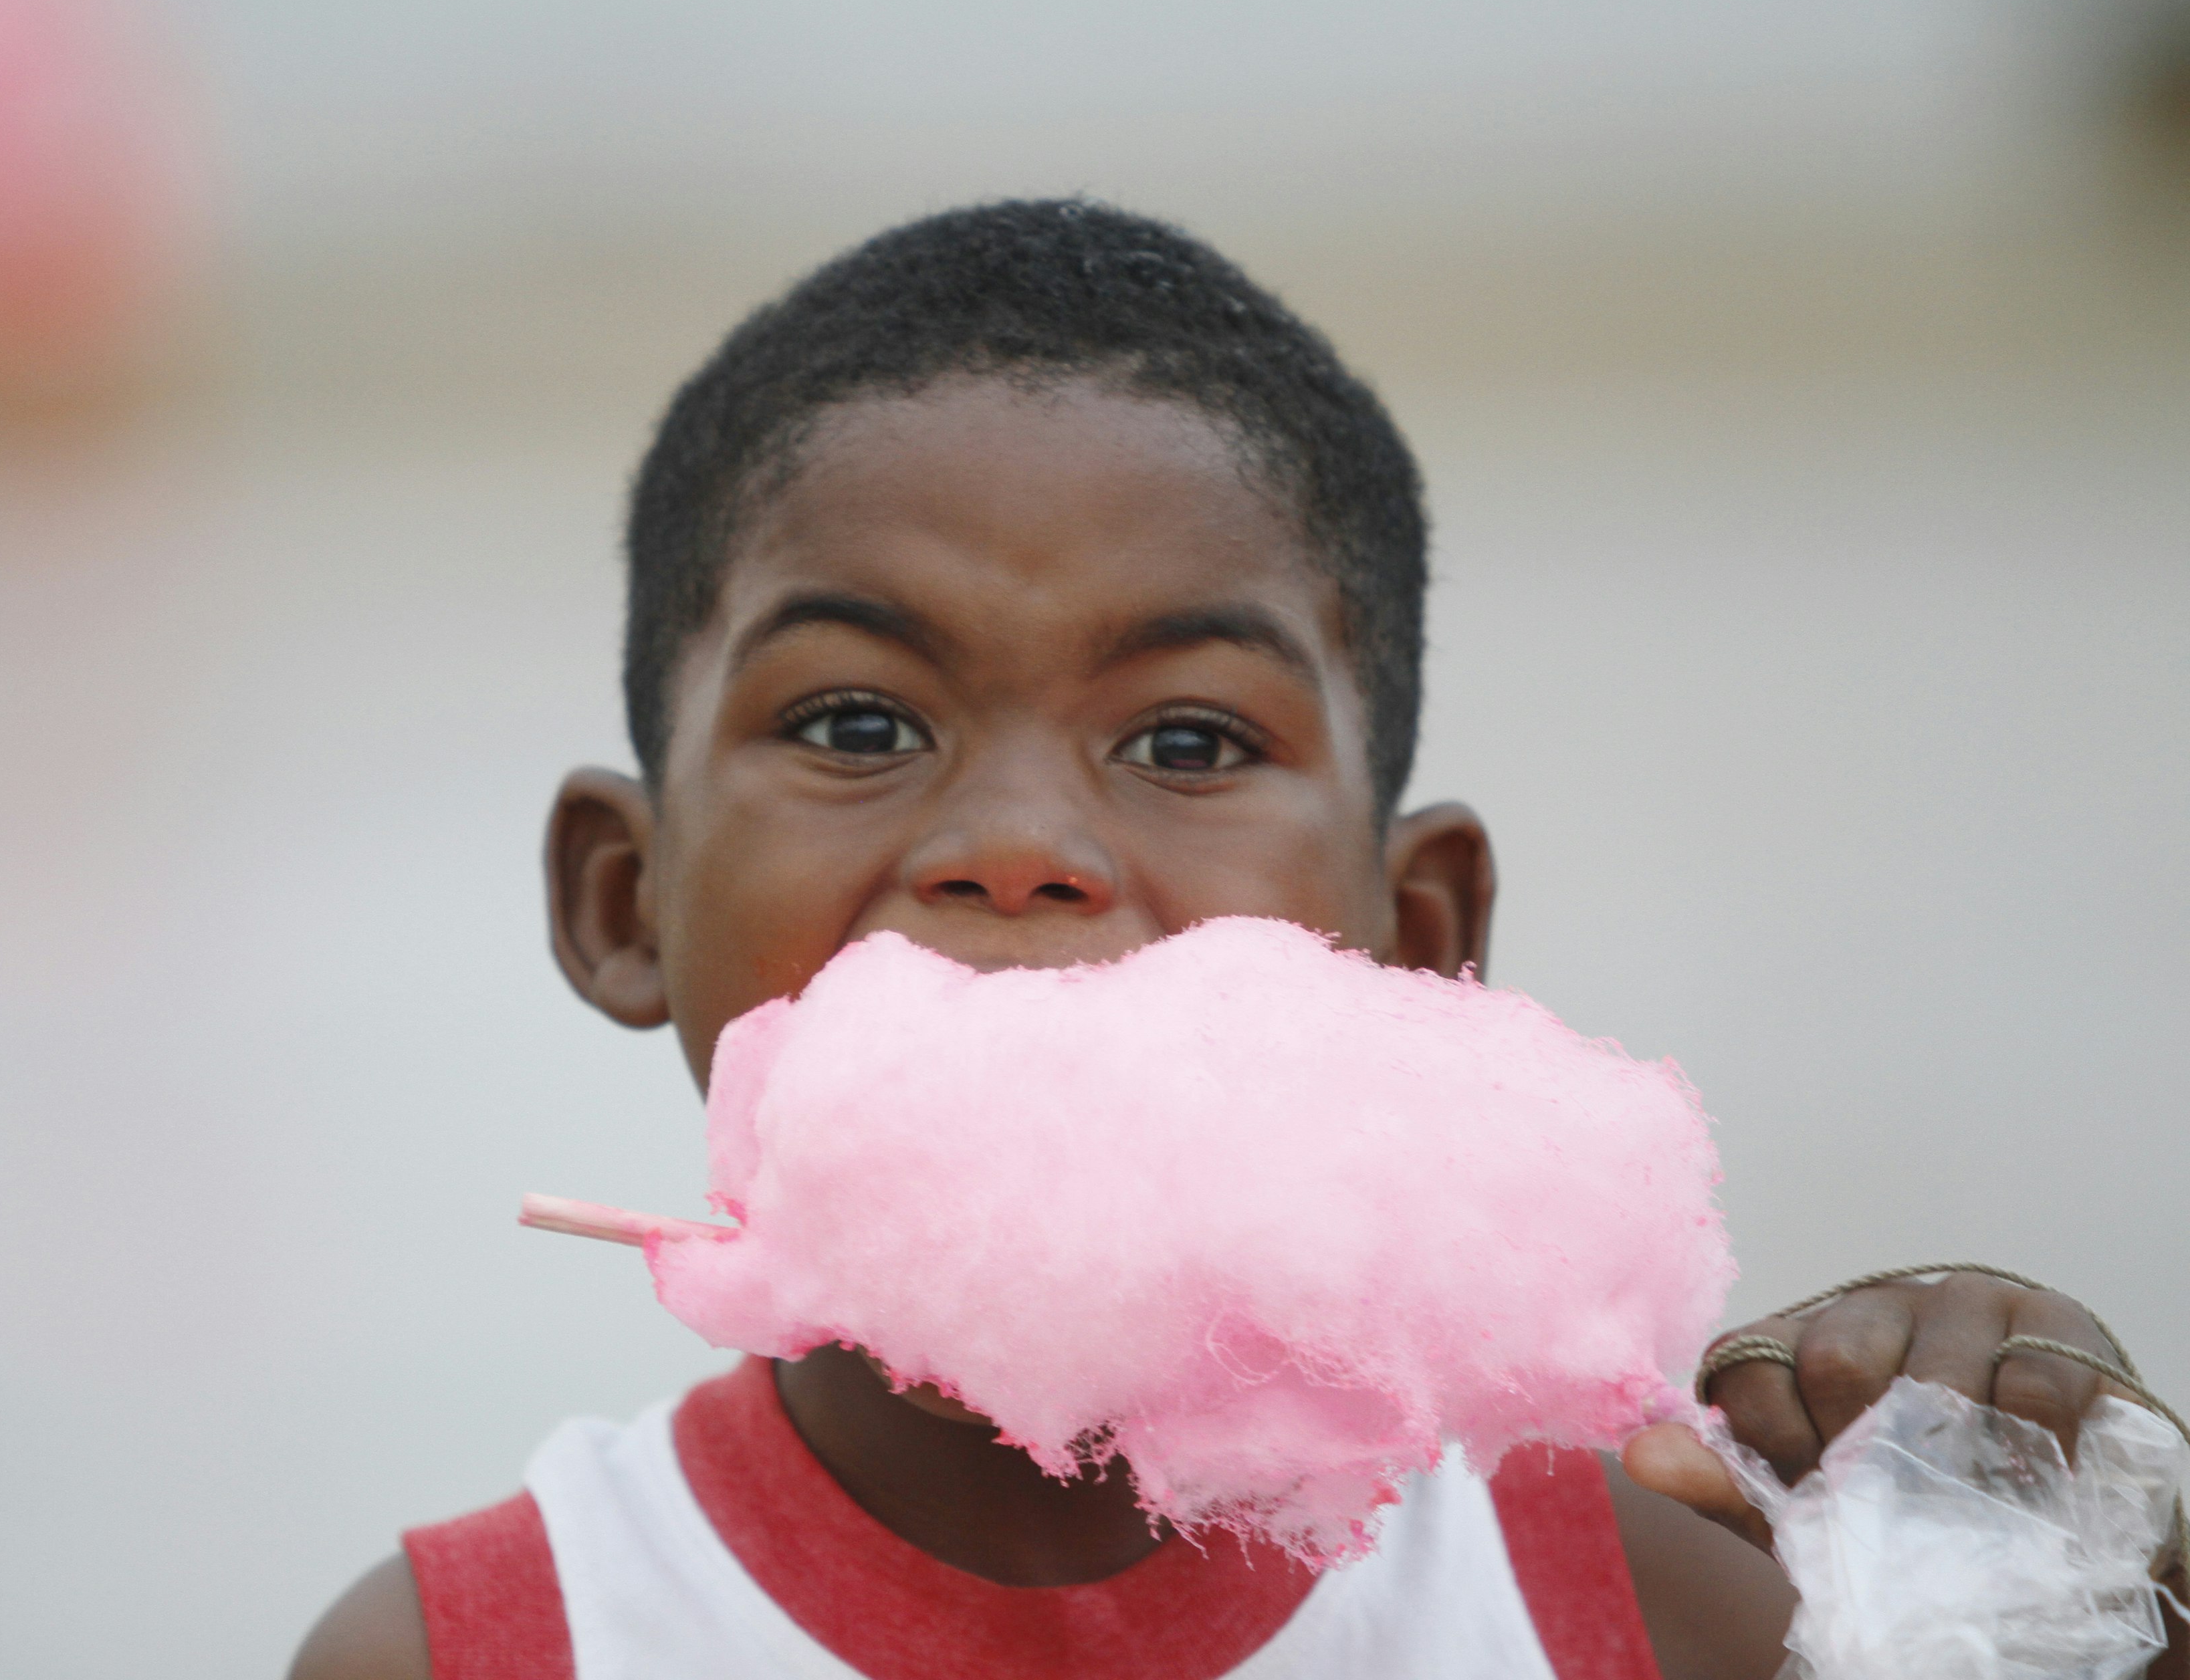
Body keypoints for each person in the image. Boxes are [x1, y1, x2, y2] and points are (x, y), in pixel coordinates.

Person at [291, 201, 2181, 1680]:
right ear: (621, 902)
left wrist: (2093, 1601)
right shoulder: (471, 1655)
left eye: (1188, 741)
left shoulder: (1681, 1605)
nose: (1019, 844)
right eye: (858, 722)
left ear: (1417, 941)